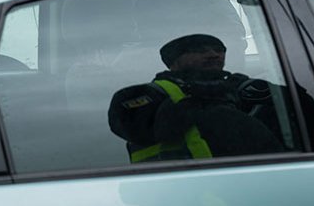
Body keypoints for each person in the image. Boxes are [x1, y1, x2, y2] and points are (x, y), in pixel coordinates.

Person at [108, 34, 283, 162]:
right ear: (174, 61)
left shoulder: (239, 89)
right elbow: (148, 130)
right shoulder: (144, 96)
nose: (214, 54)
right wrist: (197, 98)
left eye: (219, 50)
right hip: (180, 191)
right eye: (200, 51)